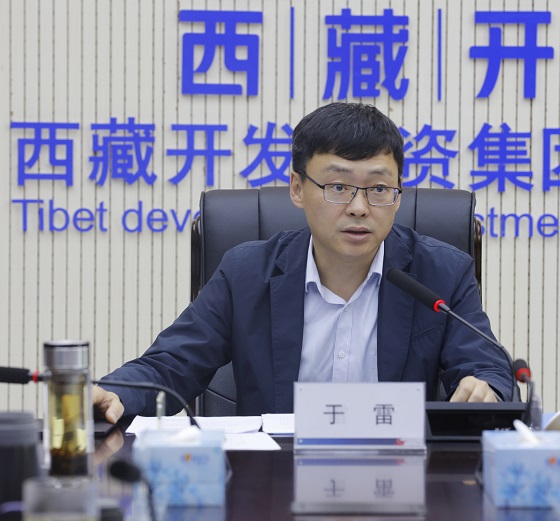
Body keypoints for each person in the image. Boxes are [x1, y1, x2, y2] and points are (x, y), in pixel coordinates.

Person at [94, 102, 512, 423]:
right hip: (274, 481)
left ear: (399, 192)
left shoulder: (441, 273)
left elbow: (486, 367)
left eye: (379, 188)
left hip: (401, 480)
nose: (360, 207)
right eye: (338, 186)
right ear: (297, 188)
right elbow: (172, 364)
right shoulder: (246, 273)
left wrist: (485, 388)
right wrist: (117, 394)